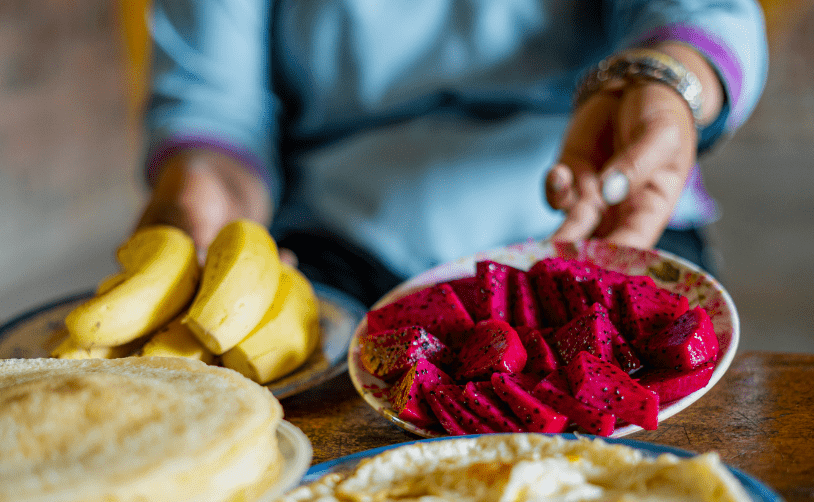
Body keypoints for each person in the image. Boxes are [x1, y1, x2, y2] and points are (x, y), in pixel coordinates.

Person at [136, 0, 767, 307]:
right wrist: (203, 196)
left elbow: (701, 11)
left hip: (614, 204)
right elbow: (214, 104)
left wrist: (666, 82)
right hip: (337, 244)